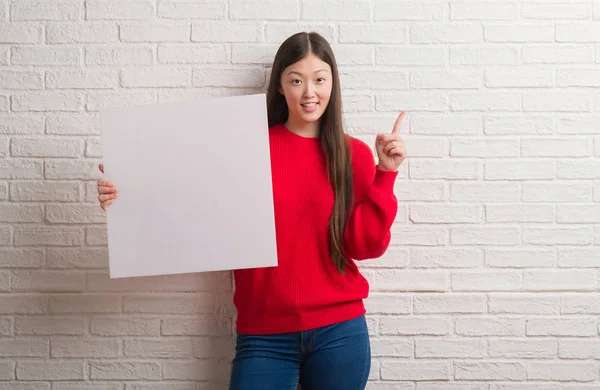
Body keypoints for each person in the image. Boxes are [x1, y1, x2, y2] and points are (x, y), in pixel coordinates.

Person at [97, 32, 406, 390]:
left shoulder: (353, 155)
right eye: (296, 80)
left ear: (332, 84)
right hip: (264, 335)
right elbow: (190, 201)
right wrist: (127, 188)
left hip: (340, 332)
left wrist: (386, 173)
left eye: (319, 79)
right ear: (280, 86)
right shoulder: (246, 147)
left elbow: (364, 246)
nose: (309, 92)